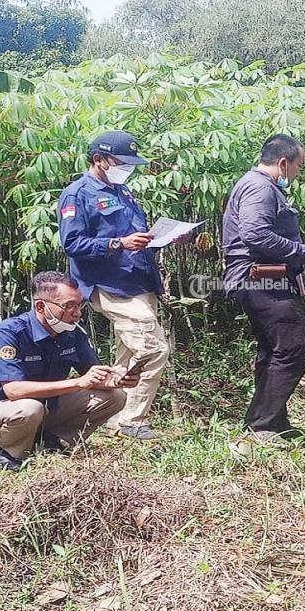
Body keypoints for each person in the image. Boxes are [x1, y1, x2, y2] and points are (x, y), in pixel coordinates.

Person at [58, 130, 175, 441]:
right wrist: (119, 243)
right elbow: (72, 244)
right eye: (122, 162)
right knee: (152, 349)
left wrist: (165, 237)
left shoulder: (123, 191)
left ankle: (113, 415)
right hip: (110, 285)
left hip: (139, 281)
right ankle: (131, 420)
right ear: (99, 159)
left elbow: (136, 235)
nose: (128, 168)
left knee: (128, 353)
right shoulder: (77, 194)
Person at [0, 271, 138, 471]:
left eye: (79, 305)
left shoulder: (73, 333)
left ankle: (52, 440)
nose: (77, 313)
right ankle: (7, 452)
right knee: (29, 407)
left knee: (115, 396)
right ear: (40, 306)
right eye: (68, 306)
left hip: (43, 410)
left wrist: (114, 380)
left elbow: (92, 376)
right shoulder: (9, 333)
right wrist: (77, 382)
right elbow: (13, 390)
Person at [222, 133, 305, 447]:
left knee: (274, 349)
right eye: (298, 166)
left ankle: (274, 422)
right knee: (293, 345)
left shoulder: (258, 186)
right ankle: (263, 425)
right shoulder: (260, 187)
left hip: (260, 278)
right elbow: (255, 234)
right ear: (283, 163)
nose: (298, 173)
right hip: (261, 279)